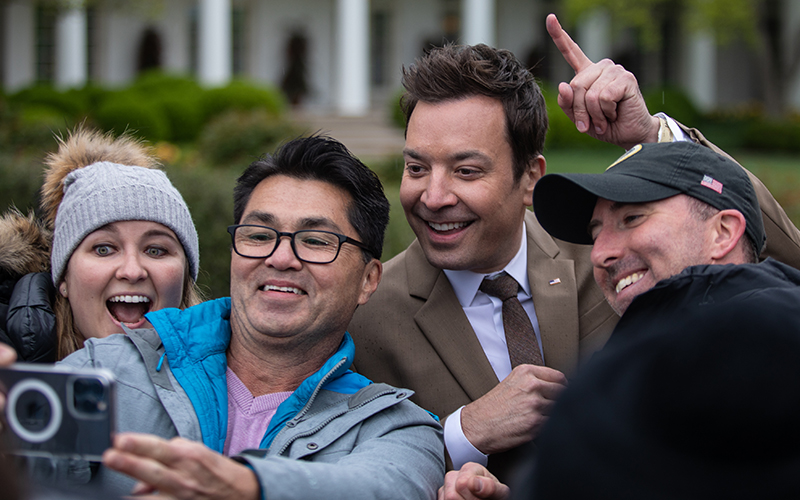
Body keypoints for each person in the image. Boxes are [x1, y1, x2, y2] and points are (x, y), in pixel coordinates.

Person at [347, 12, 800, 482]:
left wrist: (654, 140)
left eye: (466, 171)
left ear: (530, 179)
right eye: (417, 168)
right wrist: (462, 433)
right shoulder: (365, 315)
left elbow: (775, 261)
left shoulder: (611, 258)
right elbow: (339, 468)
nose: (433, 197)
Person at [37, 135, 443, 499]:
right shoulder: (105, 370)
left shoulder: (395, 426)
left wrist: (250, 487)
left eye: (317, 241)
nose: (280, 258)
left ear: (368, 280)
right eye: (259, 235)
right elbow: (27, 467)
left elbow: (385, 488)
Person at [439, 139, 800, 500]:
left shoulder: (763, 336)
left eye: (632, 218)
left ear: (721, 232)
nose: (601, 253)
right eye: (596, 234)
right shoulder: (656, 361)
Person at [0, 127, 202, 362]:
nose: (132, 271)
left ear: (185, 278)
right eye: (103, 249)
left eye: (155, 250)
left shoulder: (230, 377)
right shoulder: (8, 367)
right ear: (63, 277)